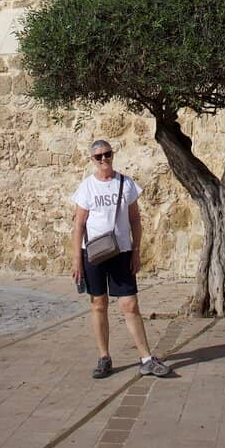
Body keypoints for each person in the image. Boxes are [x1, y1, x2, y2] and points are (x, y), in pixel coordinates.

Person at [72, 139, 172, 379]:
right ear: (92, 160)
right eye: (98, 157)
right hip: (93, 253)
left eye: (107, 154)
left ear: (112, 155)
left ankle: (146, 358)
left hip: (122, 252)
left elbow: (135, 219)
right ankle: (104, 357)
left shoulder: (126, 184)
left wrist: (137, 250)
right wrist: (77, 259)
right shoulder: (87, 187)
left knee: (130, 304)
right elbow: (79, 224)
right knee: (98, 304)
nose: (104, 159)